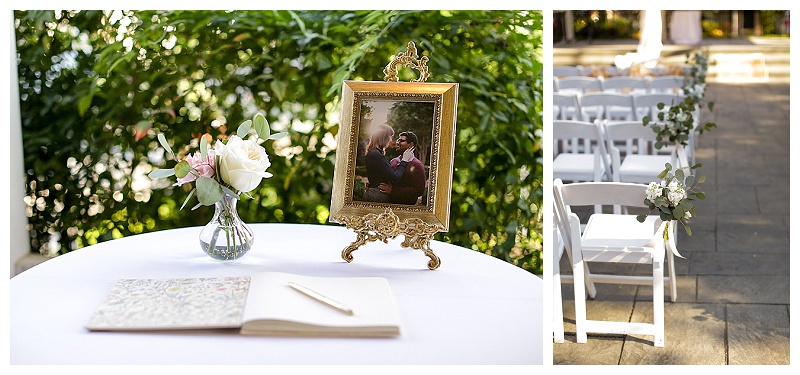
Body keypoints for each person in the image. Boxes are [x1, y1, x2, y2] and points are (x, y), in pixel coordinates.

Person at [361, 124, 414, 203]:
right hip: (377, 195)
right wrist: (404, 160)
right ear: (384, 137)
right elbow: (395, 178)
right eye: (390, 137)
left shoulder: (374, 153)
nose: (390, 140)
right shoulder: (376, 155)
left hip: (375, 193)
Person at [378, 131, 426, 205]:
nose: (398, 142)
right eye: (398, 140)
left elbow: (419, 191)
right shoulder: (393, 161)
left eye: (401, 141)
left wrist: (392, 190)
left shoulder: (417, 165)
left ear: (410, 144)